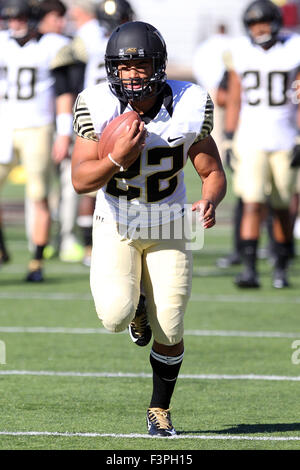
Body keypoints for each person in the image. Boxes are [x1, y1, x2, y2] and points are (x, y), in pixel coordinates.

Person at [71, 21, 226, 436]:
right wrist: (115, 159)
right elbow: (81, 180)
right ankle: (137, 303)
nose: (132, 74)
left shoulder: (190, 102)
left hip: (172, 222)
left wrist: (210, 199)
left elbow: (212, 172)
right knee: (114, 316)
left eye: (140, 64)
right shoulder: (96, 103)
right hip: (116, 221)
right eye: (124, 67)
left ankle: (159, 408)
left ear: (158, 65)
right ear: (111, 70)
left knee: (171, 325)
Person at [224, 0, 300, 289]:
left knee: (282, 205)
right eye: (254, 24)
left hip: (285, 137)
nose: (260, 28)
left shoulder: (293, 48)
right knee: (252, 202)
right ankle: (249, 268)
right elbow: (234, 97)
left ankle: (280, 266)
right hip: (251, 138)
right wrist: (229, 139)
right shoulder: (240, 51)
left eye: (264, 22)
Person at [0, 0, 73, 281]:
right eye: (10, 19)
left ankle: (36, 262)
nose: (14, 23)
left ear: (30, 19)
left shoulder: (52, 46)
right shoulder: (3, 42)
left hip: (37, 128)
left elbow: (64, 92)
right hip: (5, 126)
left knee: (38, 195)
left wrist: (64, 132)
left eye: (19, 18)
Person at [68, 0, 135, 266]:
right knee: (90, 177)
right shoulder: (85, 38)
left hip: (128, 111)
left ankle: (131, 238)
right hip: (95, 113)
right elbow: (73, 74)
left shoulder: (135, 37)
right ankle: (88, 244)